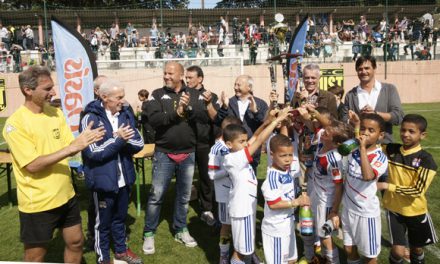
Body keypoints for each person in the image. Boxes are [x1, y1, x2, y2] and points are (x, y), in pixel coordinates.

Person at [2, 66, 105, 262]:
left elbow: (69, 145)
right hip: (39, 202)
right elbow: (32, 165)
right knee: (35, 256)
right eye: (47, 89)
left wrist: (86, 139)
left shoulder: (55, 114)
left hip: (66, 195)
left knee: (76, 242)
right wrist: (72, 148)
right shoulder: (16, 124)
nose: (54, 92)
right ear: (27, 90)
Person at [80, 79, 144, 264]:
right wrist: (118, 141)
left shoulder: (124, 114)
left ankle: (121, 251)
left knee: (119, 218)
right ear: (104, 96)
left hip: (124, 178)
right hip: (103, 181)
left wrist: (119, 140)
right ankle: (103, 258)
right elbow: (92, 152)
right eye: (119, 97)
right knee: (103, 224)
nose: (123, 101)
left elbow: (138, 143)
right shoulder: (90, 118)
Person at [142, 62, 201, 254]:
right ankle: (149, 232)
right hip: (164, 153)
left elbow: (201, 117)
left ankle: (180, 228)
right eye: (164, 73)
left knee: (184, 196)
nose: (166, 76)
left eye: (170, 73)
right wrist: (176, 113)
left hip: (188, 153)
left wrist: (189, 109)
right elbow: (154, 119)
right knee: (156, 195)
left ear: (181, 75)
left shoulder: (192, 93)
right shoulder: (156, 94)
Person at [223, 108, 290, 264]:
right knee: (242, 252)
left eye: (245, 141)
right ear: (228, 144)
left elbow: (255, 137)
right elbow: (259, 141)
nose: (246, 144)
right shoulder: (234, 159)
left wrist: (267, 122)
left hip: (245, 209)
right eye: (241, 142)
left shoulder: (237, 153)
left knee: (243, 248)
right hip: (243, 210)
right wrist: (275, 122)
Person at [378, 114, 438, 264]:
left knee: (416, 249)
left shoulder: (426, 160)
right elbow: (371, 144)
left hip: (415, 211)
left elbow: (417, 191)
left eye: (411, 131)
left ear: (422, 135)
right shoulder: (392, 149)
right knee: (398, 251)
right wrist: (358, 125)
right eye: (403, 130)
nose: (405, 134)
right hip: (394, 209)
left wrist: (387, 186)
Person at [343, 112, 389, 264]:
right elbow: (341, 148)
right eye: (363, 129)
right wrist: (356, 126)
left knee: (370, 256)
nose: (365, 133)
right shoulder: (353, 147)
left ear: (380, 135)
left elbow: (368, 176)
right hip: (348, 209)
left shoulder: (380, 157)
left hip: (366, 213)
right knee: (349, 248)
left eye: (371, 130)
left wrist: (362, 148)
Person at [261, 134, 310, 264]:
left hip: (287, 224)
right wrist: (296, 202)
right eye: (283, 156)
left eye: (290, 155)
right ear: (272, 155)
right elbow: (273, 203)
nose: (288, 159)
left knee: (292, 259)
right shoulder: (272, 178)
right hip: (276, 229)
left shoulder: (285, 170)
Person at [185, 65, 220, 226]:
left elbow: (217, 119)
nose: (188, 80)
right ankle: (182, 207)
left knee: (206, 178)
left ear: (200, 79)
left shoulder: (210, 95)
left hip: (205, 144)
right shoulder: (183, 95)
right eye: (186, 77)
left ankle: (207, 209)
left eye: (190, 77)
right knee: (184, 178)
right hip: (186, 144)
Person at [344, 55, 404, 144]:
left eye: (367, 68)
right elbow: (344, 121)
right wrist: (355, 119)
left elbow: (399, 117)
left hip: (384, 146)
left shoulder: (389, 89)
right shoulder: (350, 95)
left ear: (374, 69)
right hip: (358, 146)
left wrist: (375, 114)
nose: (363, 71)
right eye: (360, 69)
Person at [208, 116, 242, 264]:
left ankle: (243, 252)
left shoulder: (233, 146)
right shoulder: (216, 149)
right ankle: (223, 254)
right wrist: (229, 170)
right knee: (226, 226)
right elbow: (211, 174)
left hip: (237, 192)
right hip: (224, 195)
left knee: (239, 224)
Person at [219, 75, 269, 174]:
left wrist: (255, 112)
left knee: (250, 178)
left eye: (239, 85)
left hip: (251, 149)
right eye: (235, 84)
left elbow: (265, 123)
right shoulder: (229, 102)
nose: (236, 87)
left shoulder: (260, 103)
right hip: (232, 149)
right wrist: (224, 107)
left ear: (249, 87)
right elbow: (219, 120)